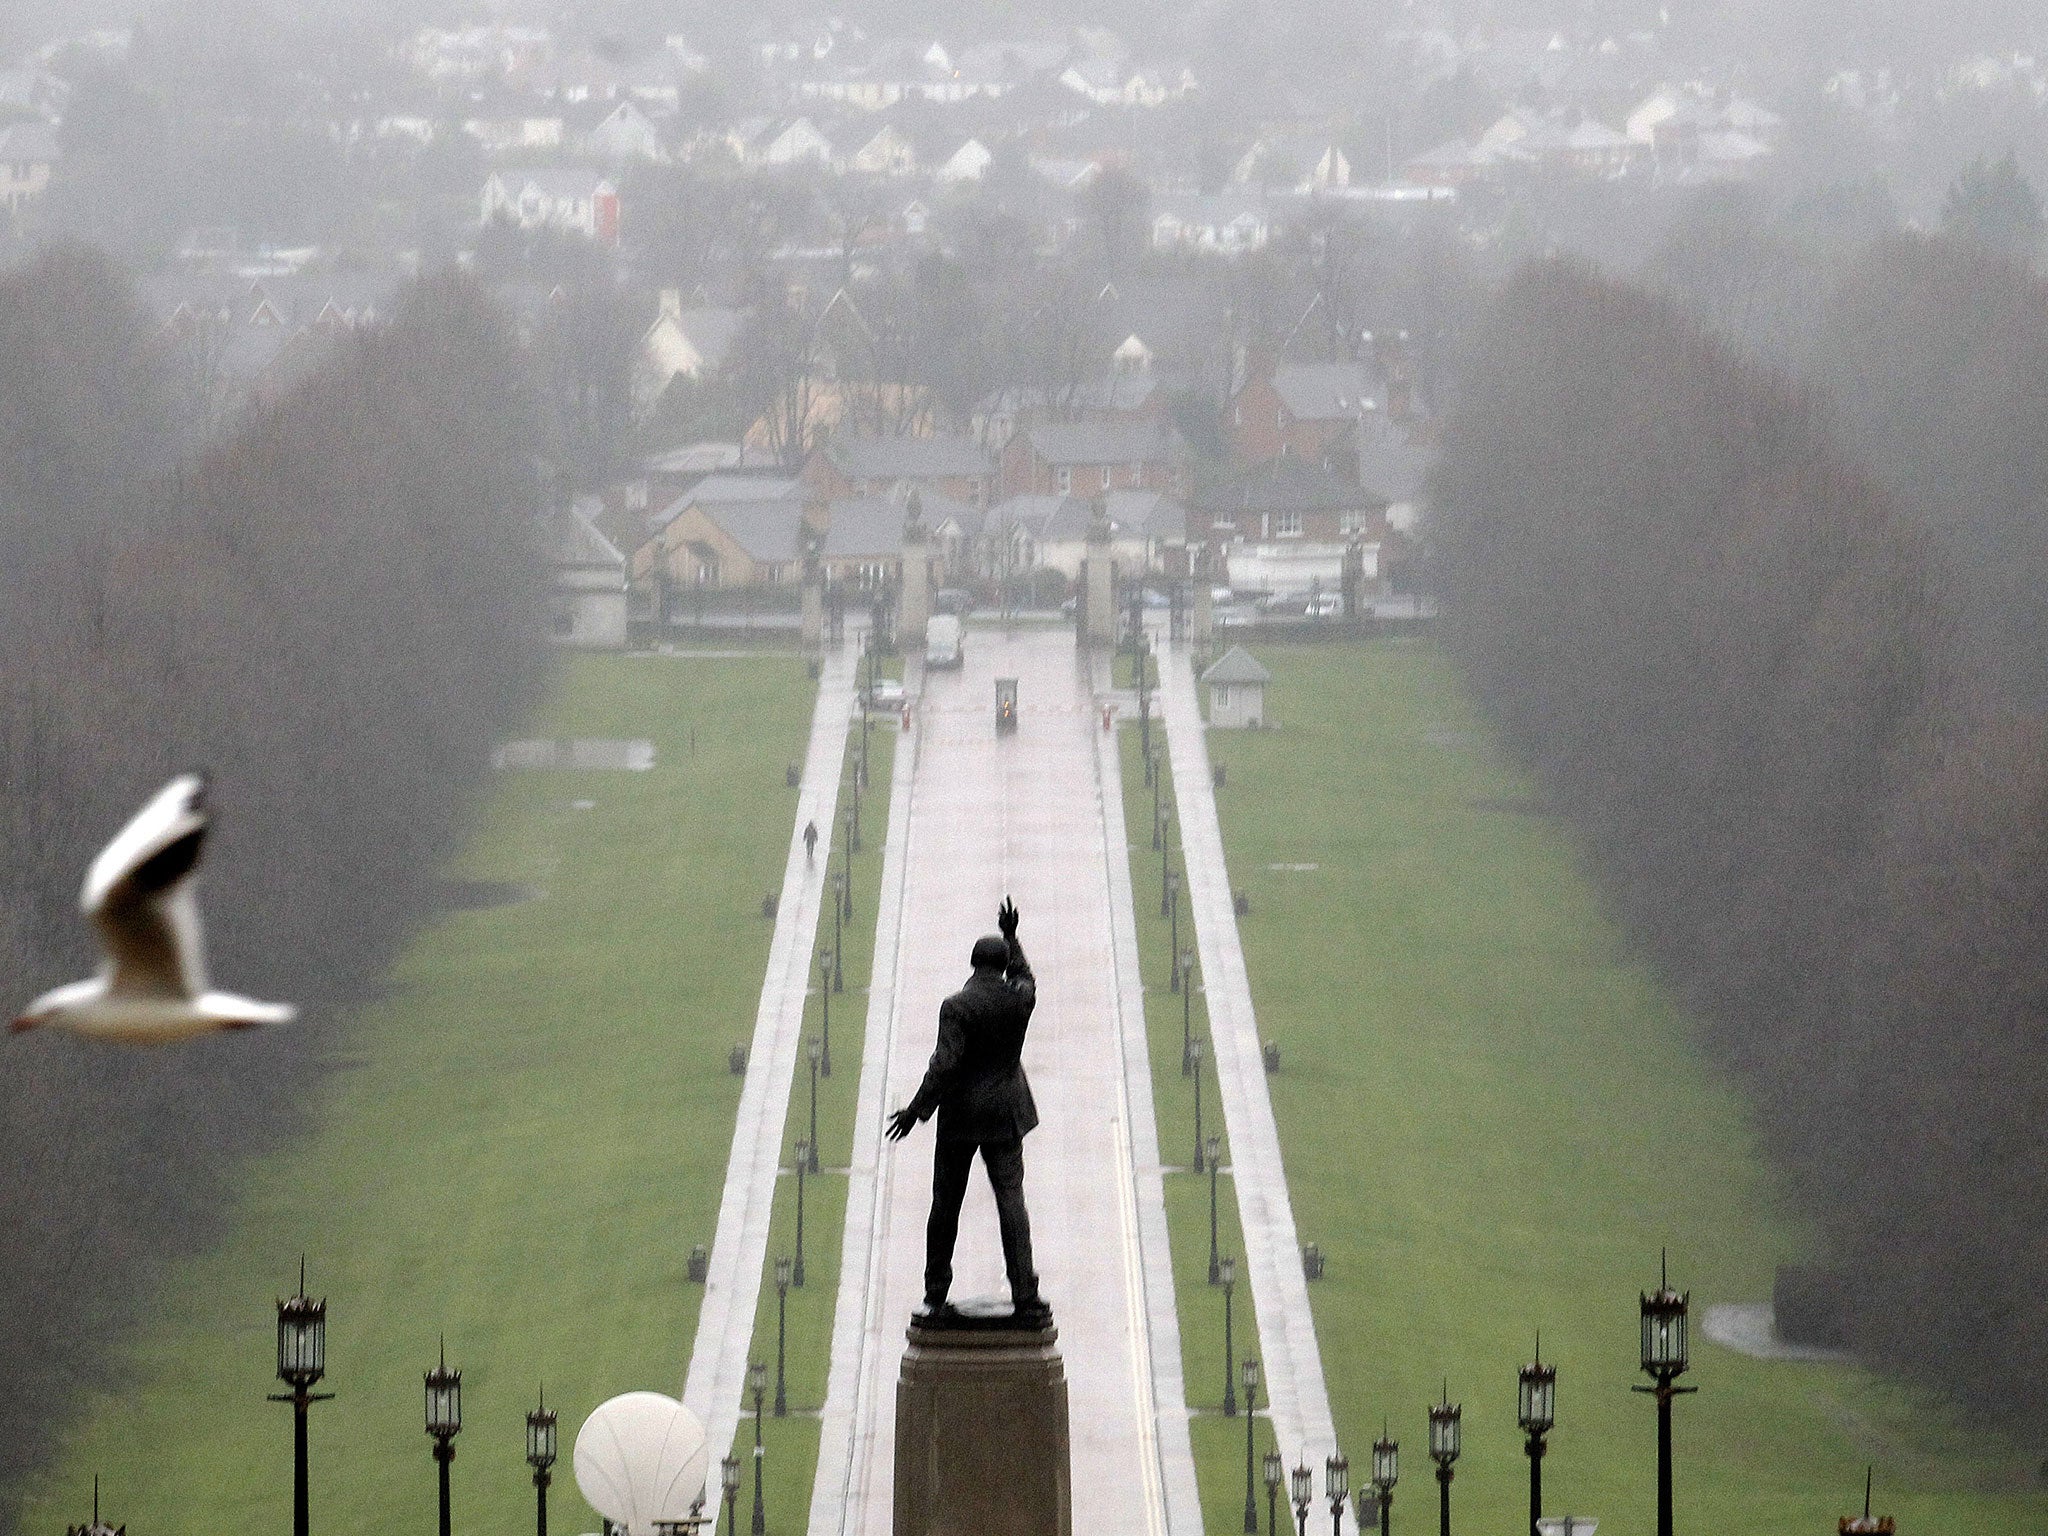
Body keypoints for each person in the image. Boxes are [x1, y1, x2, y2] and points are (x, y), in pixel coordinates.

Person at [887, 897, 1046, 1320]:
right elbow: (1027, 977)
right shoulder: (1018, 1002)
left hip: (960, 1118)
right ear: (1003, 964)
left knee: (945, 1206)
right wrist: (1013, 938)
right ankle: (1025, 1293)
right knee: (1012, 1202)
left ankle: (936, 1291)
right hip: (1005, 1114)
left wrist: (916, 1111)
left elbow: (945, 1065)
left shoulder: (957, 1007)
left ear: (973, 965)